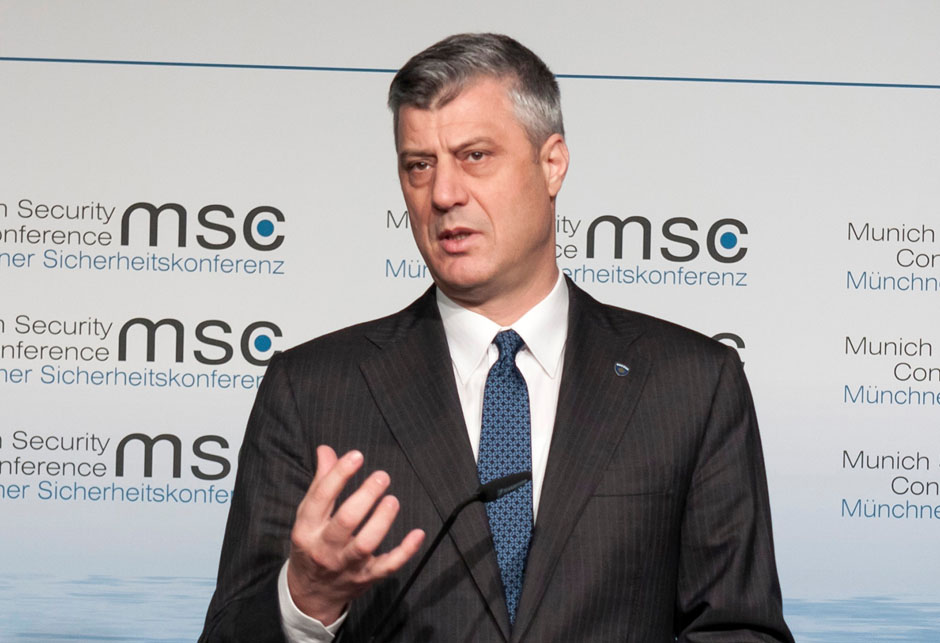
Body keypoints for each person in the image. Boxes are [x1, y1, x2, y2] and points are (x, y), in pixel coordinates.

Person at [200, 33, 793, 642]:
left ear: (552, 163)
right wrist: (307, 600)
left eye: (475, 156)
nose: (444, 194)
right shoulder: (311, 391)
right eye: (419, 165)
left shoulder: (692, 384)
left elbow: (740, 630)